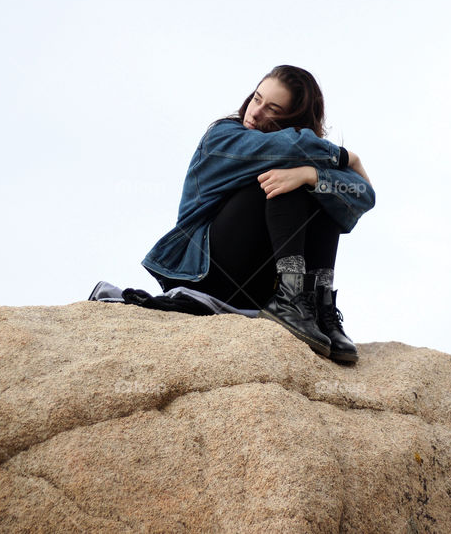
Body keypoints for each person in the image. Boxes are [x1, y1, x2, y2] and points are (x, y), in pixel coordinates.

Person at [141, 65, 375, 363]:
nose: (255, 112)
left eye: (272, 109)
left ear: (293, 118)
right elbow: (287, 145)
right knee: (279, 179)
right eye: (257, 98)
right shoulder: (223, 136)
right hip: (207, 272)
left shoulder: (306, 157)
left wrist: (311, 175)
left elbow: (365, 196)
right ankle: (291, 299)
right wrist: (344, 157)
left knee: (322, 192)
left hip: (258, 288)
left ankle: (318, 303)